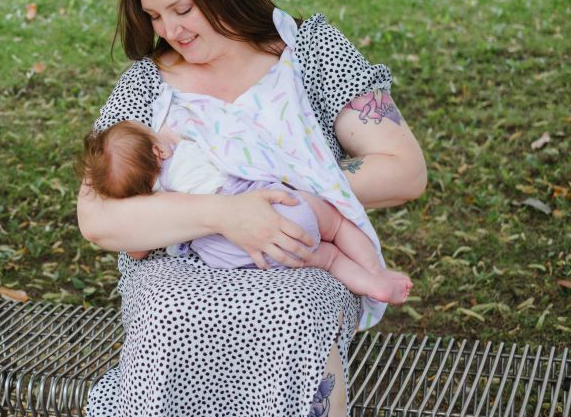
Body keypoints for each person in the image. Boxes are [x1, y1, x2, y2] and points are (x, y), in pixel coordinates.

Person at [77, 0, 426, 417]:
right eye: (154, 15)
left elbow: (404, 169)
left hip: (299, 261)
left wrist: (308, 199)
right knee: (165, 315)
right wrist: (226, 214)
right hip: (181, 273)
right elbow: (97, 217)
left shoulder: (311, 53)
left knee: (296, 316)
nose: (170, 30)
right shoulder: (145, 85)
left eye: (183, 9)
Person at [79, 119, 413, 304]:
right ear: (157, 149)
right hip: (274, 208)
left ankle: (365, 280)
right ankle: (375, 277)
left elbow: (136, 250)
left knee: (328, 259)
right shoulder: (186, 153)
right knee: (338, 226)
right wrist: (170, 138)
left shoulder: (154, 202)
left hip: (233, 256)